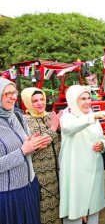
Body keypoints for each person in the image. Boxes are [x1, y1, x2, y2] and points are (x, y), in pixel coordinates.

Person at [0, 78, 51, 224]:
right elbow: (21, 152)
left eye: (14, 93)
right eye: (7, 94)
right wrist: (23, 151)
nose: (13, 97)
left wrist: (34, 145)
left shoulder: (17, 116)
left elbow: (25, 149)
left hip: (29, 186)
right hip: (8, 196)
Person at [59, 85, 105, 224]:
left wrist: (102, 144)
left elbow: (102, 137)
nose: (88, 102)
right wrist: (93, 116)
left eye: (89, 98)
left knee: (93, 209)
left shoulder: (92, 117)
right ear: (74, 100)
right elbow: (70, 128)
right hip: (76, 172)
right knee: (74, 211)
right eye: (83, 99)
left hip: (94, 170)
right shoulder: (67, 118)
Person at [21, 87, 62, 224]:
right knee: (43, 211)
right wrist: (53, 129)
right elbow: (36, 143)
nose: (40, 103)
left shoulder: (51, 116)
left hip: (57, 173)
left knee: (58, 208)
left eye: (42, 99)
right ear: (27, 102)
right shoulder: (24, 121)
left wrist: (60, 127)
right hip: (40, 176)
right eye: (34, 101)